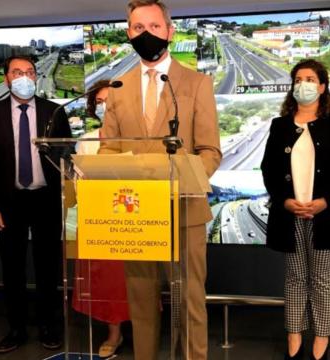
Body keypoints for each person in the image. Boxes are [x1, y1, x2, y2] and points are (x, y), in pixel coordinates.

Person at [98, 1, 222, 359]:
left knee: (190, 304)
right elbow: (109, 150)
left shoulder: (197, 83)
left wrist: (178, 181)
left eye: (153, 26)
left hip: (184, 211)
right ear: (128, 34)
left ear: (170, 30)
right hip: (135, 215)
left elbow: (210, 151)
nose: (146, 34)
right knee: (141, 305)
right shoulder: (118, 87)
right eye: (138, 28)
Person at [0, 55, 72, 353]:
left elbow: (67, 157)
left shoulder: (54, 112)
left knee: (48, 268)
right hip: (8, 203)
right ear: (6, 78)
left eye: (30, 72)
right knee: (13, 269)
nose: (25, 77)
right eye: (17, 72)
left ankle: (48, 326)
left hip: (46, 200)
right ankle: (16, 329)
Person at [261, 59, 330, 360]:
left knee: (322, 278)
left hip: (325, 213)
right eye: (298, 79)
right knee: (295, 277)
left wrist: (325, 200)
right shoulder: (279, 126)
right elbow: (269, 170)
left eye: (311, 78)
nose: (304, 84)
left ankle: (322, 337)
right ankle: (294, 334)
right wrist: (285, 200)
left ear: (323, 86)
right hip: (290, 214)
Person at [71, 79, 130, 358]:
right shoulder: (86, 142)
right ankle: (114, 332)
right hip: (100, 220)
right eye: (100, 102)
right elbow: (79, 185)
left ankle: (145, 328)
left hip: (134, 220)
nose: (106, 107)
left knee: (138, 279)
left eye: (111, 101)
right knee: (108, 281)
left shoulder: (139, 138)